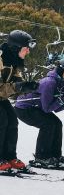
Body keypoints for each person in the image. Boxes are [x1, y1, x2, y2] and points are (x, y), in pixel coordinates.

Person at [14, 58, 64, 169]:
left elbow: (57, 109)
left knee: (57, 123)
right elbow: (47, 108)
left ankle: (55, 155)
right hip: (24, 109)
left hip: (36, 108)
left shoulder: (61, 83)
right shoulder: (49, 82)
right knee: (48, 124)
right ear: (61, 71)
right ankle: (42, 157)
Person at [0, 30, 38, 171]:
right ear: (16, 48)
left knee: (12, 121)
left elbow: (16, 79)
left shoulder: (13, 59)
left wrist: (26, 86)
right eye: (25, 48)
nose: (28, 51)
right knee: (1, 120)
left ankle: (9, 156)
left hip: (1, 98)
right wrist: (18, 86)